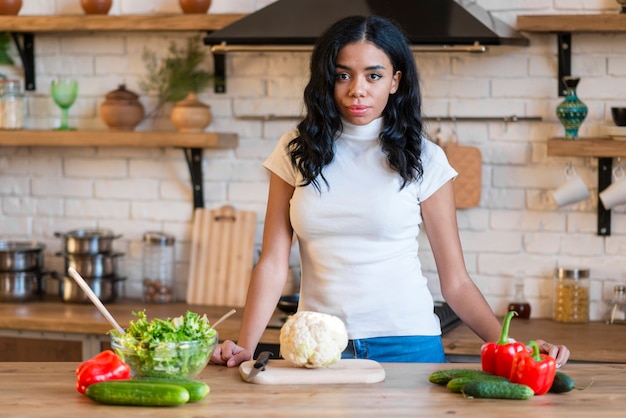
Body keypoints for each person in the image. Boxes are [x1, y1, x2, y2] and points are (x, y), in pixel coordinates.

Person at [210, 15, 570, 366]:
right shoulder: (296, 149)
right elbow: (273, 263)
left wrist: (513, 348)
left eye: (374, 75)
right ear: (327, 80)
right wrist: (246, 345)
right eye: (343, 75)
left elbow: (456, 282)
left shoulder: (425, 157)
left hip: (409, 344)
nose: (357, 89)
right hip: (319, 350)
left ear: (395, 81)